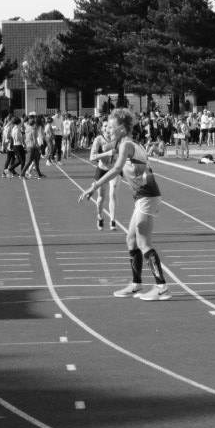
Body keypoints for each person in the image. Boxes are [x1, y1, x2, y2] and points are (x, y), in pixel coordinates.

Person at [79, 107, 171, 301]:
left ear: (121, 128)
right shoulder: (126, 144)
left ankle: (162, 287)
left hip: (147, 196)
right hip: (142, 197)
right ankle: (136, 284)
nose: (108, 130)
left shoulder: (127, 144)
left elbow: (116, 169)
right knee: (131, 239)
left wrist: (94, 186)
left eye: (111, 127)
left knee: (143, 242)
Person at [89, 119, 118, 230]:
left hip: (114, 170)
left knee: (113, 193)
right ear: (102, 128)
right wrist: (107, 153)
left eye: (109, 126)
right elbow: (92, 157)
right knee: (101, 197)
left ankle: (113, 220)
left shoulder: (117, 139)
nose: (107, 128)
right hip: (102, 170)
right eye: (105, 126)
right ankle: (100, 216)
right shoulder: (99, 139)